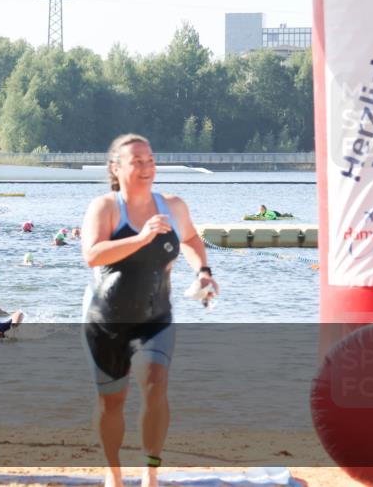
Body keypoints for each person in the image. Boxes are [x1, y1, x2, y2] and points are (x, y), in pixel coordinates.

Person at [81, 134, 218, 487]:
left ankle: (150, 474)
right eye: (137, 161)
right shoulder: (106, 207)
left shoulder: (172, 206)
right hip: (107, 321)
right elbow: (92, 254)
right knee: (112, 402)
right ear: (116, 168)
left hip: (156, 317)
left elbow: (189, 239)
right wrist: (142, 238)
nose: (147, 167)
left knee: (156, 383)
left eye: (150, 160)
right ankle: (114, 475)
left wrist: (203, 272)